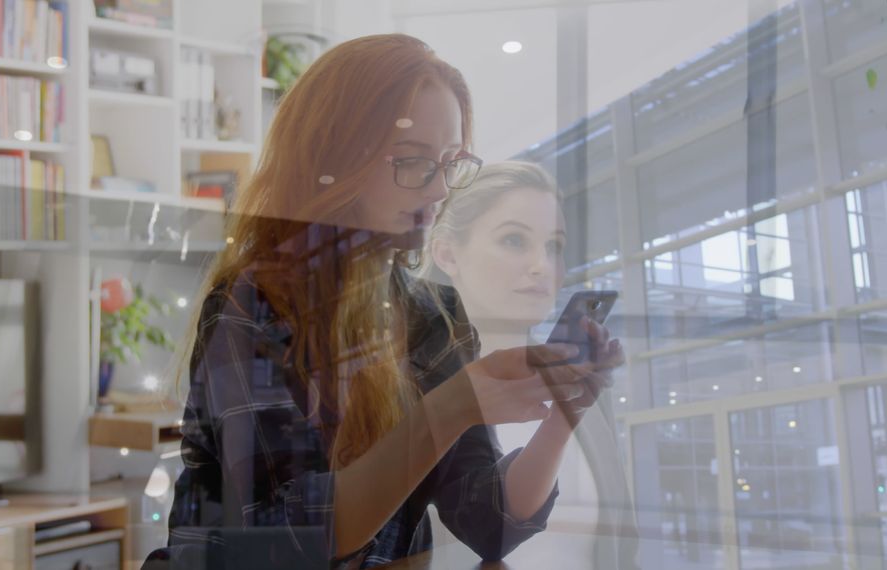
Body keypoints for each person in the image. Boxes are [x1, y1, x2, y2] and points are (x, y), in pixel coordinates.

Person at [143, 34, 623, 569]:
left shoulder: (430, 315)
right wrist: (453, 406)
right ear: (335, 160)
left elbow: (491, 525)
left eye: (451, 164)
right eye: (413, 162)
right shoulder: (253, 305)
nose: (439, 190)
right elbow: (291, 542)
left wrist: (563, 414)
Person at [421, 160, 639, 568]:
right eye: (514, 241)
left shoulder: (582, 392)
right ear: (448, 253)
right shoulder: (418, 385)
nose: (542, 265)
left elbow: (619, 548)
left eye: (553, 246)